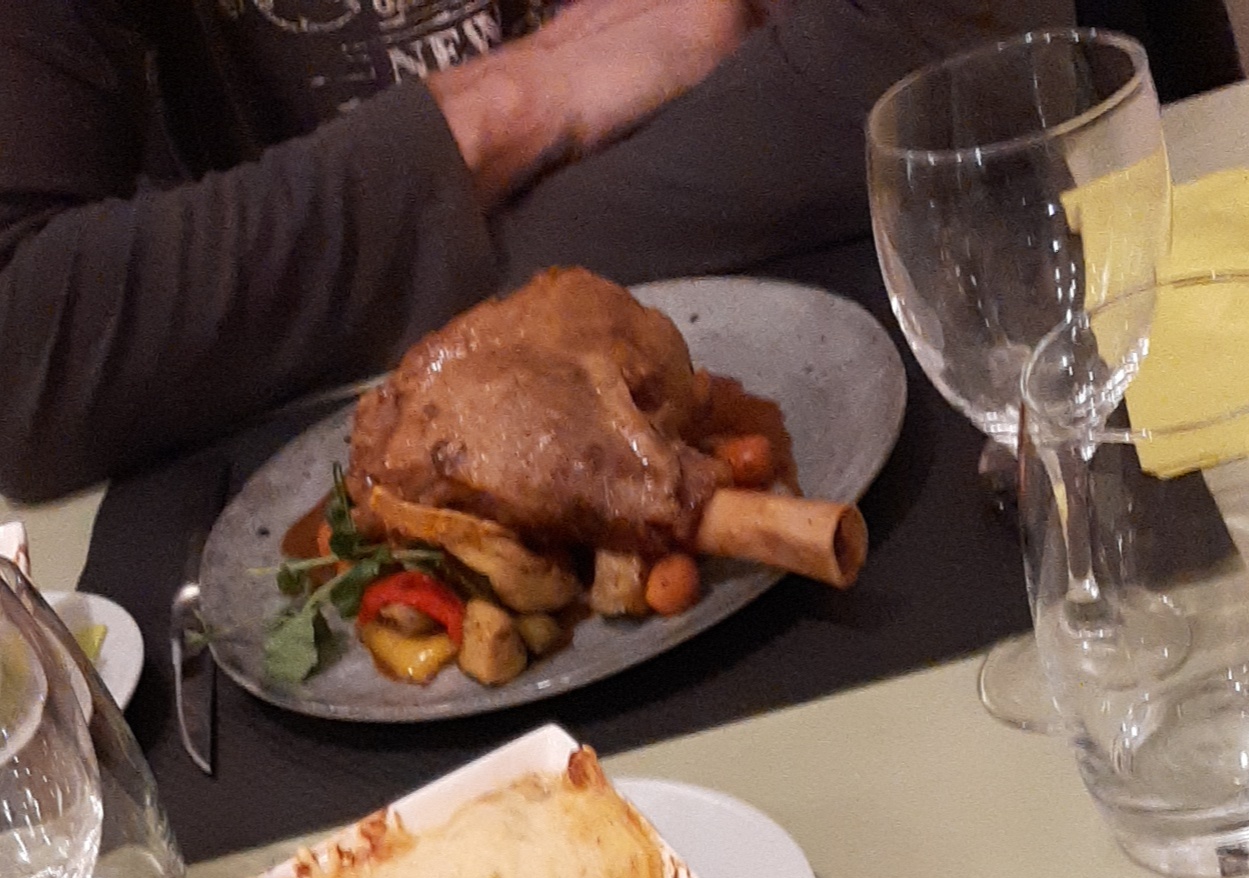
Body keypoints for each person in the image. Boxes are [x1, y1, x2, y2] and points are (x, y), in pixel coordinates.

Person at [0, 0, 1061, 502]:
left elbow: (975, 59)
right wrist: (515, 102)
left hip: (851, 419)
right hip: (361, 544)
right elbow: (28, 347)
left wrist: (304, 283)